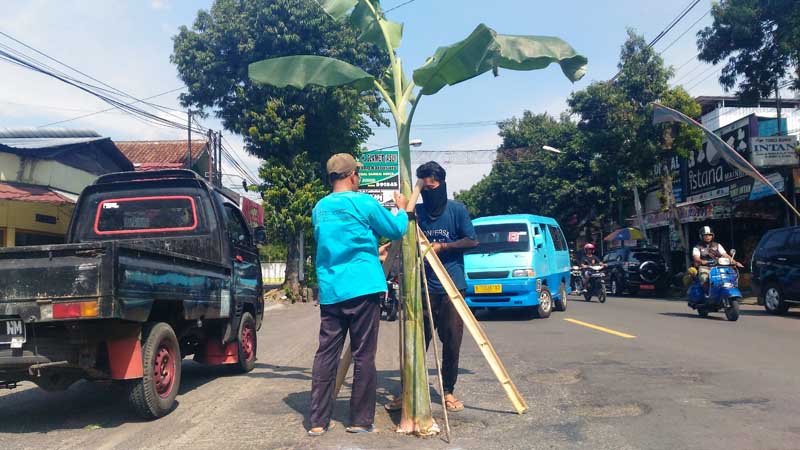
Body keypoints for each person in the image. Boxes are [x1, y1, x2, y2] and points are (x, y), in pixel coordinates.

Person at [308, 153, 409, 436]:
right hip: (364, 288)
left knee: (326, 355)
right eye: (358, 174)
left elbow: (330, 243)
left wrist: (366, 248)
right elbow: (396, 228)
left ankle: (317, 421)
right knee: (364, 355)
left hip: (331, 290)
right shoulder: (364, 202)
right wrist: (401, 209)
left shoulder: (320, 208)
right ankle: (360, 421)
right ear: (352, 175)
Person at [386, 161, 478, 413]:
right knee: (415, 343)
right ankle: (406, 392)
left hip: (451, 288)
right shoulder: (417, 212)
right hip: (422, 287)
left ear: (442, 184)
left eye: (432, 186)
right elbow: (401, 234)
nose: (428, 191)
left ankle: (448, 391)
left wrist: (444, 247)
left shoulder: (457, 210)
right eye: (423, 187)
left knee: (451, 343)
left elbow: (472, 240)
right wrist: (403, 210)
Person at [692, 225, 742, 290]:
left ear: (712, 236)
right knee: (704, 278)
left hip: (719, 267)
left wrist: (735, 262)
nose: (708, 237)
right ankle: (707, 293)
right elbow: (696, 258)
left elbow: (725, 255)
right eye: (705, 235)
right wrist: (702, 261)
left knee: (730, 276)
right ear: (701, 236)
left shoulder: (717, 245)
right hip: (705, 267)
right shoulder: (697, 247)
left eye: (710, 235)